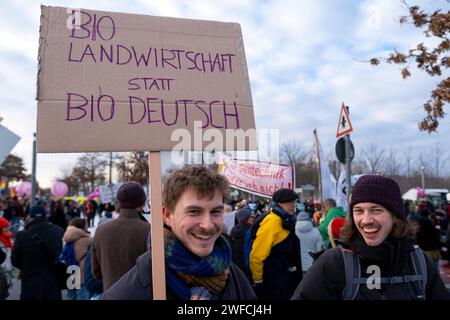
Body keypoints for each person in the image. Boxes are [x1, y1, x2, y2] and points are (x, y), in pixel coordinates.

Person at [101, 165, 256, 300]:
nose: (207, 225)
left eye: (216, 212)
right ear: (168, 215)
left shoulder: (234, 276)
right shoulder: (131, 291)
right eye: (194, 211)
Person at [291, 175, 450, 300]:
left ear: (395, 215)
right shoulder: (334, 263)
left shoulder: (419, 262)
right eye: (358, 211)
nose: (366, 220)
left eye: (376, 210)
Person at [92, 181, 149, 291]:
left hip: (111, 294)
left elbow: (96, 273)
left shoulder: (101, 230)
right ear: (142, 202)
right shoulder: (150, 230)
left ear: (119, 202)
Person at [250, 188, 302, 300]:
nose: (294, 205)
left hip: (286, 282)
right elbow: (256, 257)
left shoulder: (285, 220)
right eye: (290, 202)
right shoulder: (272, 222)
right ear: (279, 203)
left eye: (294, 201)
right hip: (275, 286)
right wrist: (258, 282)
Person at [11, 205, 64, 300]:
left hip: (30, 285)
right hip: (52, 284)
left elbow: (14, 260)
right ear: (45, 216)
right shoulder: (58, 231)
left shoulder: (22, 235)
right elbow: (60, 254)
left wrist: (26, 266)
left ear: (30, 217)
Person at [62, 218, 90, 300]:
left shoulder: (66, 238)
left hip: (70, 271)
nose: (87, 226)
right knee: (83, 295)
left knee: (71, 296)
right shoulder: (87, 240)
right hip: (82, 273)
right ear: (82, 226)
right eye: (86, 224)